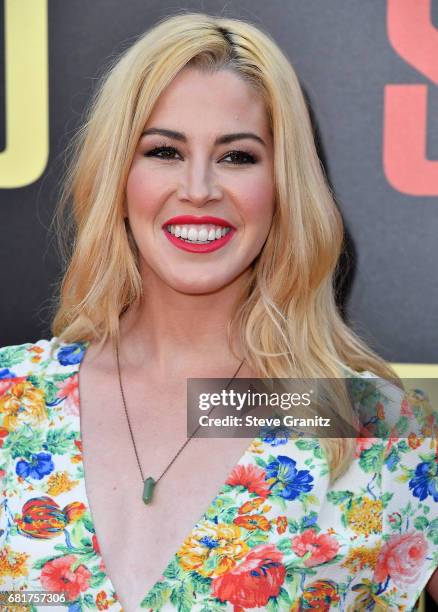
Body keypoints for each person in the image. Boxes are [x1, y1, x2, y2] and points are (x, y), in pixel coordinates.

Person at [0, 11, 437, 612]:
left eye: (237, 157)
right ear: (117, 176)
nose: (200, 187)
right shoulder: (11, 401)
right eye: (164, 151)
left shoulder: (362, 424)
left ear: (283, 187)